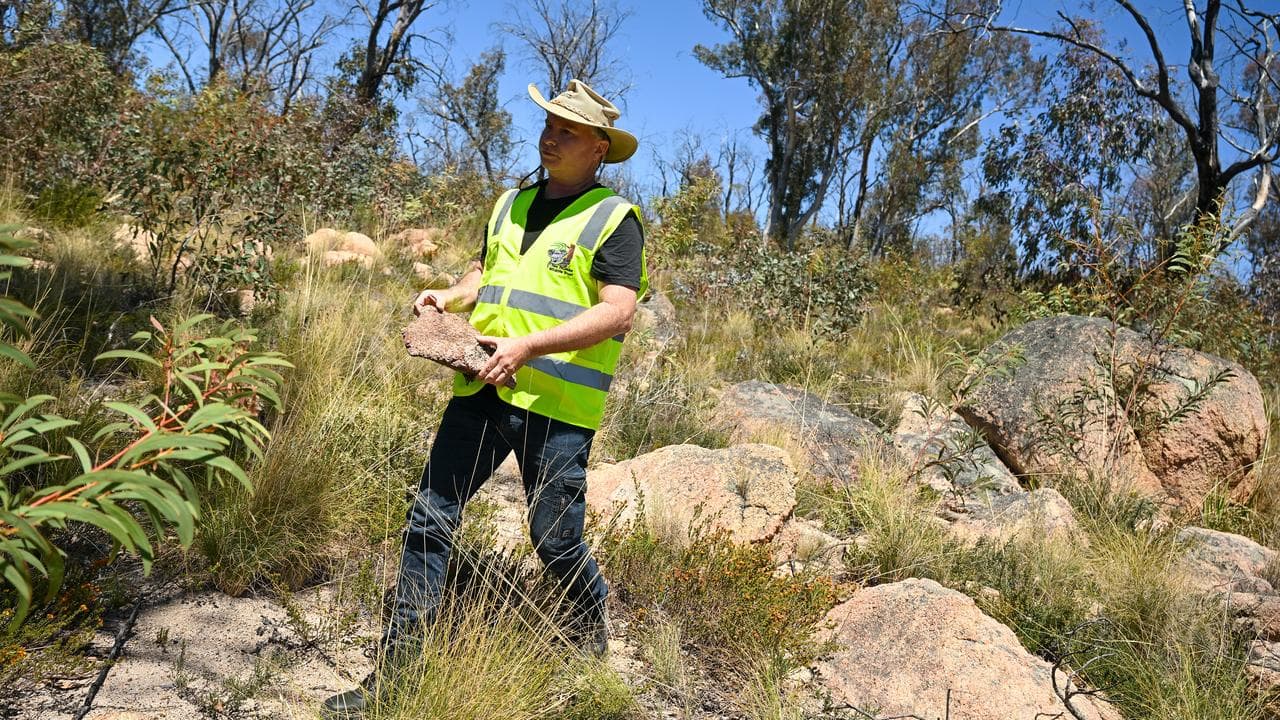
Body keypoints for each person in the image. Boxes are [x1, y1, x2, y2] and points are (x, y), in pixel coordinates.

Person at [323, 79, 646, 716]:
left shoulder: (615, 220)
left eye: (568, 131)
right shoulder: (509, 203)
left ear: (600, 149)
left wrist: (528, 347)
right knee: (430, 517)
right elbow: (486, 271)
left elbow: (618, 314)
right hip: (479, 390)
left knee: (553, 538)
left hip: (555, 408)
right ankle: (396, 676)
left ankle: (587, 632)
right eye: (549, 125)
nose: (550, 137)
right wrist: (450, 295)